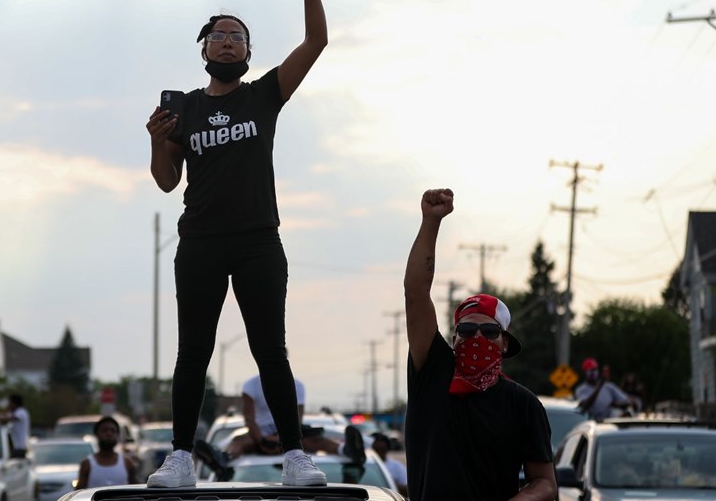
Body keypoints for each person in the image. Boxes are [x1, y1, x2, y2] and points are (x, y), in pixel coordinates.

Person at [145, 0, 328, 488]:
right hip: (200, 241)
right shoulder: (185, 110)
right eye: (219, 35)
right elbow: (165, 180)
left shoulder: (263, 96)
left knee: (270, 347)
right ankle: (181, 458)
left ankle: (295, 456)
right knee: (193, 352)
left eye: (238, 36)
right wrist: (158, 141)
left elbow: (315, 43)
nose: (228, 41)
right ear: (203, 50)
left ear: (249, 52)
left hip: (257, 242)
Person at [403, 188, 556, 500]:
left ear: (503, 343)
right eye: (467, 330)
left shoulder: (523, 405)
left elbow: (545, 483)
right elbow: (416, 292)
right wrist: (431, 221)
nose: (476, 338)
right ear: (454, 337)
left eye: (488, 332)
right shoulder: (432, 374)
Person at [225, 374, 365, 463]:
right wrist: (262, 440)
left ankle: (346, 450)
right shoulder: (251, 385)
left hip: (287, 436)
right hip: (260, 436)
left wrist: (279, 438)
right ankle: (225, 457)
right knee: (239, 441)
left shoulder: (297, 386)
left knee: (317, 440)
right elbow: (249, 419)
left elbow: (297, 419)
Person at [77, 416, 139, 488]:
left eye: (113, 431)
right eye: (104, 430)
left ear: (117, 435)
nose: (109, 434)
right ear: (97, 434)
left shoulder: (127, 463)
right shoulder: (87, 464)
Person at [370, 433, 408, 497]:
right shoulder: (362, 466)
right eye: (376, 450)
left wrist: (390, 484)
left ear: (387, 449)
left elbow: (406, 489)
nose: (378, 453)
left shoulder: (396, 466)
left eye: (382, 449)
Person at [0, 393, 30, 457]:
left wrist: (1, 416)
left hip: (20, 447)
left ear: (14, 403)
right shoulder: (13, 413)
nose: (8, 405)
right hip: (14, 447)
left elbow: (7, 419)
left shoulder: (21, 412)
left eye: (9, 403)